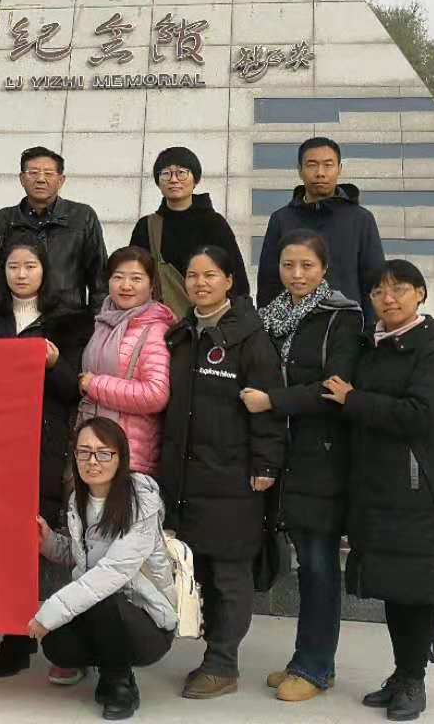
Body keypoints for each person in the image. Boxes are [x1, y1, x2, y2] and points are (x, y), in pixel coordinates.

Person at [322, 260, 434, 722]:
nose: (389, 298)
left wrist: (354, 400)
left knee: (415, 586)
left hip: (418, 488)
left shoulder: (432, 349)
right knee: (394, 585)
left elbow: (420, 414)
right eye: (379, 291)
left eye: (399, 289)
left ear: (421, 294)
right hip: (378, 485)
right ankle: (402, 674)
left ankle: (414, 680)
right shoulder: (373, 345)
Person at [240, 230, 363, 702]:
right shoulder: (268, 317)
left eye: (307, 266)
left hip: (321, 455)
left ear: (324, 269)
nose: (296, 274)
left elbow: (335, 388)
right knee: (300, 558)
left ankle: (316, 667)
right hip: (280, 451)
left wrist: (273, 400)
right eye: (288, 265)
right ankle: (301, 660)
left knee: (317, 563)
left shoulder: (342, 317)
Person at [159, 245, 285, 699]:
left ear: (230, 281)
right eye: (193, 275)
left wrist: (265, 464)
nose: (200, 283)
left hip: (233, 476)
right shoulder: (180, 334)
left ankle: (223, 663)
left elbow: (268, 408)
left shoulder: (250, 338)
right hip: (187, 477)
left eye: (210, 275)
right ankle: (213, 652)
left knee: (230, 573)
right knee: (203, 569)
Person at [0, 235, 92, 681]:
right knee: (2, 539)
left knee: (37, 536)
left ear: (45, 271)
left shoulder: (69, 321)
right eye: (13, 267)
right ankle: (12, 636)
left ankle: (44, 636)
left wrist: (54, 364)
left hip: (45, 441)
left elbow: (73, 388)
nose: (21, 274)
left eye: (30, 266)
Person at [32, 417, 178, 721]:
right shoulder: (79, 499)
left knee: (102, 599)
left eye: (103, 453)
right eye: (84, 452)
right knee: (57, 645)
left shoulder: (141, 502)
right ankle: (107, 664)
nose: (92, 461)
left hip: (146, 622)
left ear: (121, 457)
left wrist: (48, 613)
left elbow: (110, 573)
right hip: (103, 612)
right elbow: (81, 556)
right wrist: (48, 542)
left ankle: (120, 683)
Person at [256, 138, 385, 316]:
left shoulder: (361, 219)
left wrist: (370, 327)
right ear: (300, 170)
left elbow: (374, 281)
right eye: (312, 165)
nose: (320, 173)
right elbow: (268, 282)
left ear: (339, 169)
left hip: (346, 322)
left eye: (328, 165)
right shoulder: (281, 219)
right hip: (292, 324)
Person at [78, 247, 176, 476]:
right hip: (92, 449)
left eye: (136, 279)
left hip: (130, 456)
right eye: (118, 277)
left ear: (151, 286)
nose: (126, 285)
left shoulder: (155, 329)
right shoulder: (103, 322)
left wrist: (95, 385)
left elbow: (156, 394)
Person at [129, 147, 248, 316]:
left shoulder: (214, 223)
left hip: (210, 320)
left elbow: (237, 278)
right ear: (158, 181)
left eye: (181, 173)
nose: (174, 179)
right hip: (160, 322)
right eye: (166, 174)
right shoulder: (147, 226)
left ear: (195, 179)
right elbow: (134, 275)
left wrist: (236, 321)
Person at [0, 146, 107, 312]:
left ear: (61, 180)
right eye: (33, 172)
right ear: (22, 179)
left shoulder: (82, 217)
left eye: (48, 173)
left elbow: (99, 278)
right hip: (16, 316)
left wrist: (97, 320)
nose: (40, 179)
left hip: (67, 317)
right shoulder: (4, 219)